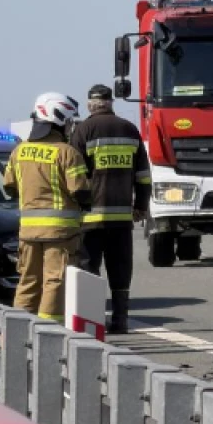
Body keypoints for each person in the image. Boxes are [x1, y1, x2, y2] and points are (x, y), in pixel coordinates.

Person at [68, 84, 151, 334]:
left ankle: (92, 322)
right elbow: (143, 175)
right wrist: (141, 206)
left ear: (90, 105)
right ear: (110, 102)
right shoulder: (129, 129)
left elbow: (75, 176)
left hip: (91, 218)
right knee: (120, 269)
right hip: (122, 217)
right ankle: (120, 320)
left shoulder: (83, 131)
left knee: (89, 270)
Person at [4, 93, 88, 320]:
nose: (70, 127)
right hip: (60, 233)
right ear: (57, 118)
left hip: (28, 231)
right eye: (68, 121)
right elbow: (80, 191)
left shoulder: (19, 151)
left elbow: (9, 187)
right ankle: (49, 330)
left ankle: (18, 329)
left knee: (28, 280)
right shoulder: (67, 153)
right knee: (54, 280)